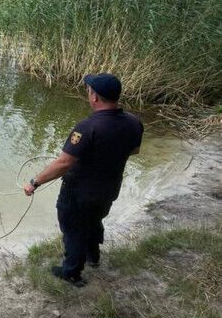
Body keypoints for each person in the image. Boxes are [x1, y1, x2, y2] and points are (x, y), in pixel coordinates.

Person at [23, 73, 143, 286]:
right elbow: (134, 151)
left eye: (88, 91)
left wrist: (34, 183)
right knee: (94, 220)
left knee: (73, 228)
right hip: (109, 188)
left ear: (94, 97)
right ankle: (93, 257)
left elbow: (63, 164)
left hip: (79, 192)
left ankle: (71, 273)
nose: (88, 94)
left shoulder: (87, 127)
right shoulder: (134, 123)